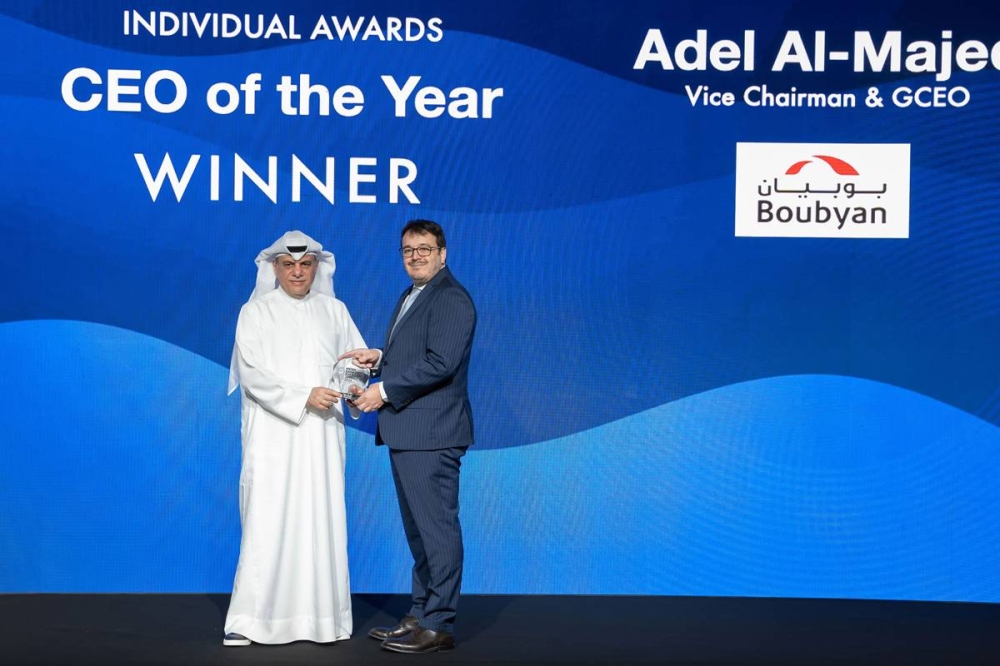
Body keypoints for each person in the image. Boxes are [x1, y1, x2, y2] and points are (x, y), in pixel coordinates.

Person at [223, 230, 367, 646]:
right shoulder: (255, 313)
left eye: (305, 265)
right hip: (273, 436)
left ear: (317, 267)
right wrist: (303, 396)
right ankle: (250, 620)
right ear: (275, 268)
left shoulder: (335, 311)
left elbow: (354, 363)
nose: (298, 272)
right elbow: (251, 374)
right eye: (289, 265)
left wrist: (354, 386)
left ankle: (323, 620)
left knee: (321, 520)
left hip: (322, 437)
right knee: (267, 520)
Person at [343, 219, 476, 654]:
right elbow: (419, 351)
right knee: (420, 534)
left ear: (443, 253)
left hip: (432, 433)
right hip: (410, 432)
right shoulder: (412, 294)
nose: (415, 256)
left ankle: (438, 623)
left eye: (424, 248)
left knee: (437, 532)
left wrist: (381, 391)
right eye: (408, 250)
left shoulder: (450, 297)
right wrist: (380, 357)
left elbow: (441, 362)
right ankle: (420, 615)